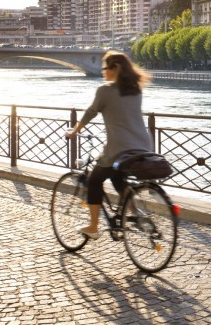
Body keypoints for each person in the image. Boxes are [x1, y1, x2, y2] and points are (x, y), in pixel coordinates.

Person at [65, 50, 152, 239]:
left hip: (120, 147)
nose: (103, 70)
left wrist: (74, 131)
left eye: (105, 67)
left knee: (94, 181)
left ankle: (94, 227)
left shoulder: (105, 90)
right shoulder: (135, 89)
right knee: (116, 177)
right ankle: (136, 211)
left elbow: (91, 112)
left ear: (116, 68)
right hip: (143, 145)